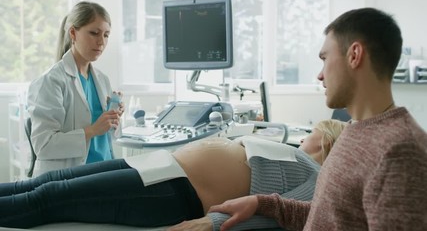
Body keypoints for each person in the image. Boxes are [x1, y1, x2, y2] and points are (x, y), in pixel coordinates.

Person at [186, 7, 427, 231]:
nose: (320, 75)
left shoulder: (400, 151)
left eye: (324, 58)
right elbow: (332, 217)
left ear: (354, 55)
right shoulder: (357, 130)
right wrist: (261, 204)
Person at [0, 119, 346, 229]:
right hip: (159, 166)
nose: (306, 134)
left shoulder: (319, 177)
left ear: (328, 138)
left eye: (313, 131)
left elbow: (278, 210)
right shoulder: (294, 152)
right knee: (43, 182)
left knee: (47, 198)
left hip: (178, 191)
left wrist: (210, 224)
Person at [26, 1, 124, 177]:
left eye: (106, 35)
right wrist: (92, 130)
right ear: (73, 32)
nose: (101, 42)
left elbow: (108, 138)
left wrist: (113, 119)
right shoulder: (51, 81)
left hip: (105, 172)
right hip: (72, 180)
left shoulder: (102, 80)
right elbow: (43, 146)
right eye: (94, 33)